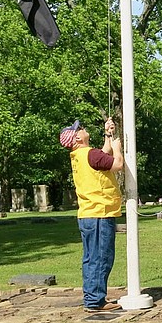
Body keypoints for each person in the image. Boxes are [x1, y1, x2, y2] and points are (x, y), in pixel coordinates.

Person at [59, 117, 123, 312]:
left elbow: (102, 156)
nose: (83, 128)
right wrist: (117, 148)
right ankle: (95, 301)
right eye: (80, 129)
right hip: (99, 213)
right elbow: (117, 164)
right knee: (101, 257)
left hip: (88, 214)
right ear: (77, 138)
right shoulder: (90, 154)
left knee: (91, 257)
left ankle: (92, 297)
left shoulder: (81, 155)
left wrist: (108, 134)